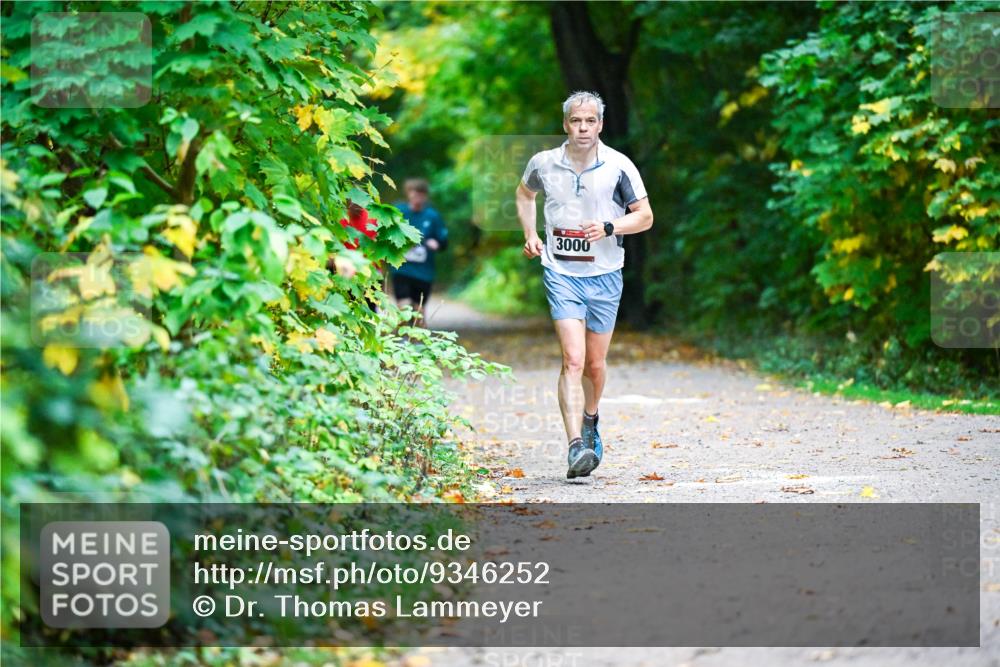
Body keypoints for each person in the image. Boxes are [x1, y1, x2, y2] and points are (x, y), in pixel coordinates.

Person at [515, 91, 654, 479]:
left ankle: (591, 419)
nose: (583, 128)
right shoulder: (544, 163)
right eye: (576, 121)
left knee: (594, 363)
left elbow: (645, 217)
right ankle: (575, 445)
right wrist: (530, 234)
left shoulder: (618, 166)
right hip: (561, 272)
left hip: (606, 275)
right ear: (565, 124)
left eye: (590, 121)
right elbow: (525, 194)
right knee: (572, 359)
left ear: (600, 125)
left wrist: (611, 226)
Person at [391, 177, 448, 324]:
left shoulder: (432, 216)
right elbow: (385, 232)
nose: (417, 198)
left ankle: (418, 343)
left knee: (418, 312)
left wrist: (437, 243)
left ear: (425, 196)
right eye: (414, 193)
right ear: (408, 193)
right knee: (403, 307)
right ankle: (402, 343)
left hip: (424, 272)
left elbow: (443, 240)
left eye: (421, 194)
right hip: (402, 268)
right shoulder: (398, 211)